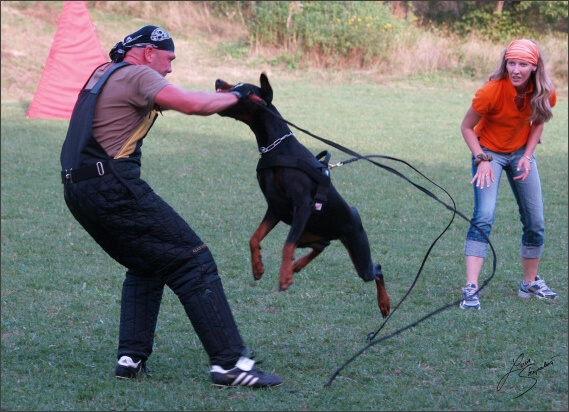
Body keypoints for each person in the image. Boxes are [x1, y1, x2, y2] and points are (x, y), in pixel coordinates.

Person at [60, 25, 282, 388]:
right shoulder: (136, 75)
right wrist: (240, 96)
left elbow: (181, 95)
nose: (169, 68)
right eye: (168, 59)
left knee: (147, 260)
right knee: (192, 259)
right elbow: (192, 104)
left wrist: (229, 98)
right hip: (109, 186)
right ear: (149, 52)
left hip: (79, 189)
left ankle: (130, 359)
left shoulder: (105, 72)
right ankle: (229, 364)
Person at [459, 39, 559, 310]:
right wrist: (480, 159)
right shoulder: (490, 92)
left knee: (535, 220)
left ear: (534, 67)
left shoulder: (545, 91)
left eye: (523, 64)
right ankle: (470, 288)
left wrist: (527, 156)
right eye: (511, 63)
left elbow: (538, 122)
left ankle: (529, 283)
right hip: (488, 153)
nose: (516, 69)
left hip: (520, 153)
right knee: (484, 214)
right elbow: (467, 128)